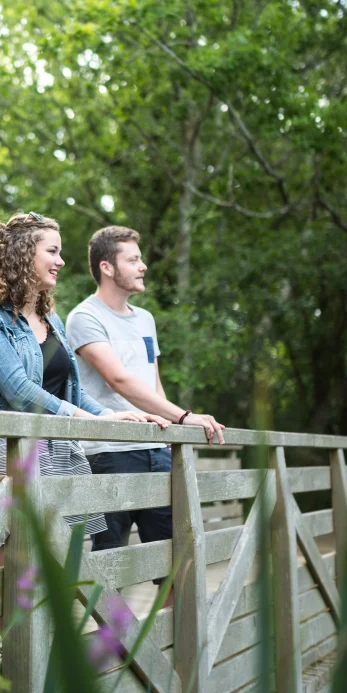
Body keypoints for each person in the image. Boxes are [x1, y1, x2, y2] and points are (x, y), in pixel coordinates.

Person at [0, 212, 165, 538]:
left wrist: (110, 416)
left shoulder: (50, 318)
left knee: (56, 564)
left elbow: (70, 388)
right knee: (6, 560)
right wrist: (86, 419)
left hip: (58, 450)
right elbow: (17, 388)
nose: (60, 260)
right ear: (23, 252)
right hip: (6, 451)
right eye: (52, 251)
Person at [66, 225, 225, 564]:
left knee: (174, 561)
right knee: (110, 562)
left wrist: (171, 427)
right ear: (107, 268)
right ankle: (111, 621)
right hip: (110, 453)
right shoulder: (84, 316)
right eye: (134, 259)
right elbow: (119, 379)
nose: (143, 266)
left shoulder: (146, 319)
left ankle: (167, 619)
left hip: (157, 449)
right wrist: (184, 416)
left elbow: (152, 380)